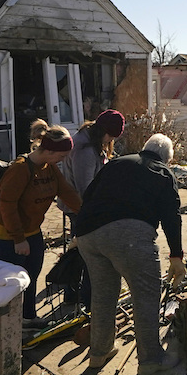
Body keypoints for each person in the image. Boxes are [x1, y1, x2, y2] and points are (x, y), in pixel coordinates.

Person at [73, 133, 185, 371]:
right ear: (167, 158)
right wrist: (177, 255)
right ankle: (151, 359)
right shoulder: (163, 172)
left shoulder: (116, 163)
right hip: (129, 236)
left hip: (88, 235)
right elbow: (171, 216)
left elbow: (89, 195)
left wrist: (78, 233)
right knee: (145, 295)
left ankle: (99, 353)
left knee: (103, 295)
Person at [0, 124, 81, 321]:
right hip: (6, 235)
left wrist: (89, 212)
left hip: (32, 232)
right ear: (48, 150)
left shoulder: (51, 168)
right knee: (12, 283)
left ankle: (29, 318)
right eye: (62, 155)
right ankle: (10, 325)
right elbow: (7, 204)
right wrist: (18, 239)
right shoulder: (20, 169)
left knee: (31, 277)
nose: (64, 160)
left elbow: (67, 193)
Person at [56, 109, 126, 310]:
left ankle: (73, 293)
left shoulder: (90, 139)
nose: (110, 141)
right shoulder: (85, 150)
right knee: (86, 253)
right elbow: (85, 188)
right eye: (111, 136)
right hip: (81, 207)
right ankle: (82, 297)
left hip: (83, 206)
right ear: (103, 130)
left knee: (78, 248)